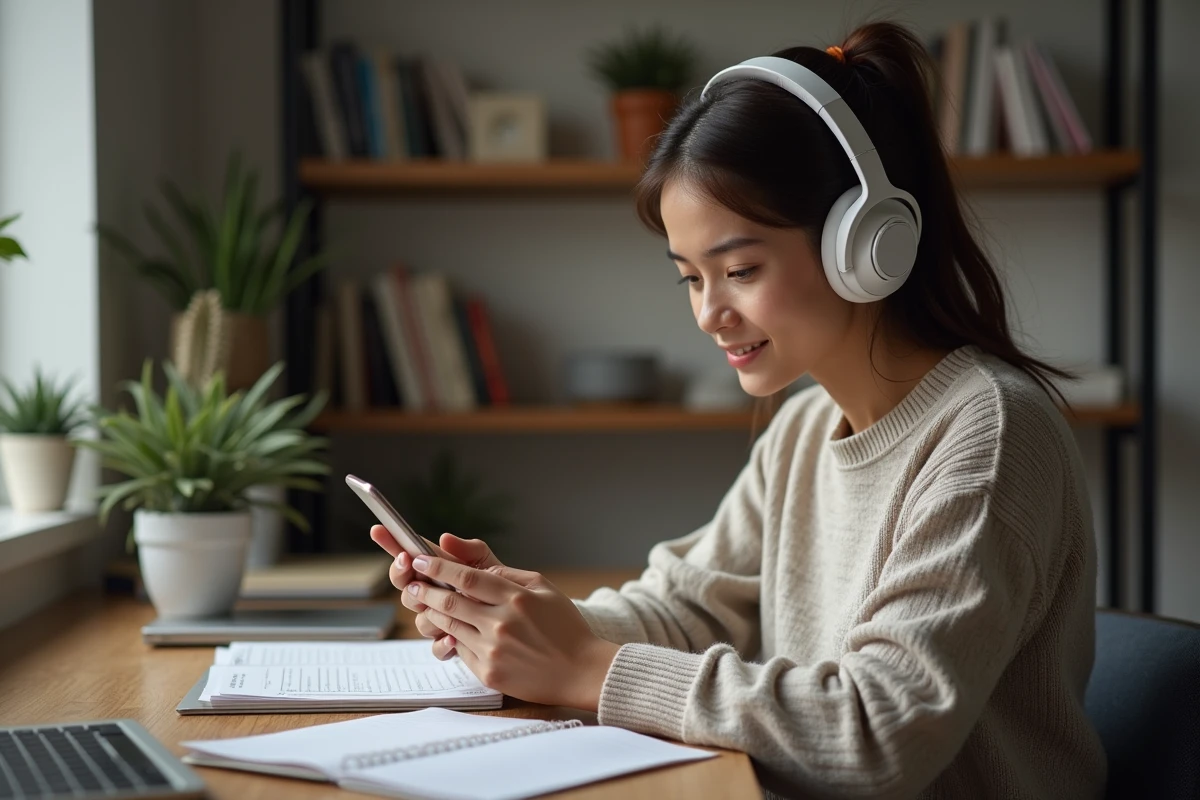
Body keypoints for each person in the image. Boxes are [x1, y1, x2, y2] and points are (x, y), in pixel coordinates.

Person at [368, 20, 1107, 800]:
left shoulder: (990, 434)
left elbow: (877, 733)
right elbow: (688, 608)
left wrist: (586, 666)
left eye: (741, 270)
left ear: (864, 243)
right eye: (691, 277)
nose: (708, 314)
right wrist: (524, 620)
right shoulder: (803, 428)